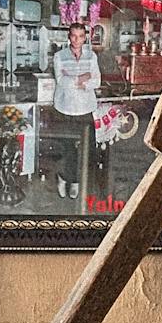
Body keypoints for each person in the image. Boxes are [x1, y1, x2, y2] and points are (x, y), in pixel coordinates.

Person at [46, 21, 103, 204]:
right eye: (73, 36)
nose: (77, 40)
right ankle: (64, 178)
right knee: (67, 148)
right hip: (65, 108)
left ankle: (77, 182)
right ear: (69, 37)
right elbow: (61, 81)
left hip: (86, 109)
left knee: (87, 149)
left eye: (81, 36)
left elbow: (97, 81)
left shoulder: (91, 56)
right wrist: (83, 78)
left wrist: (77, 80)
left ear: (85, 37)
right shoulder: (59, 56)